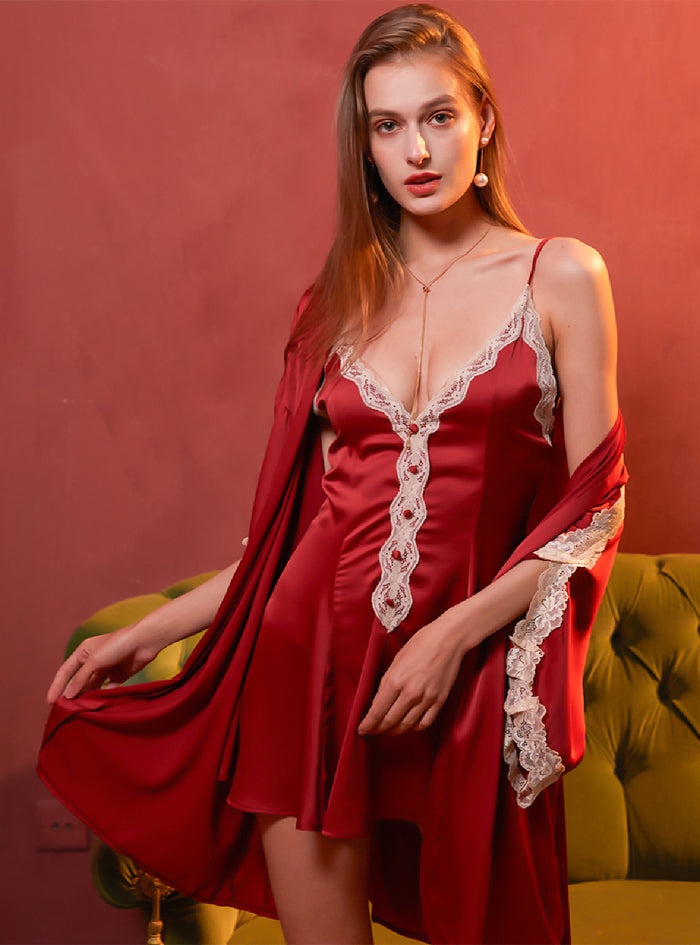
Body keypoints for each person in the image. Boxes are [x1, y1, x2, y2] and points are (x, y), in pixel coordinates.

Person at [39, 5, 627, 944]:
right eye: (387, 126)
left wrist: (451, 636)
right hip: (306, 672)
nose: (417, 150)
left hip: (467, 681)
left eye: (439, 116)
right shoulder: (333, 304)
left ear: (483, 120)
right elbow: (297, 533)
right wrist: (147, 630)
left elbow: (595, 507)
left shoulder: (559, 277)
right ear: (364, 147)